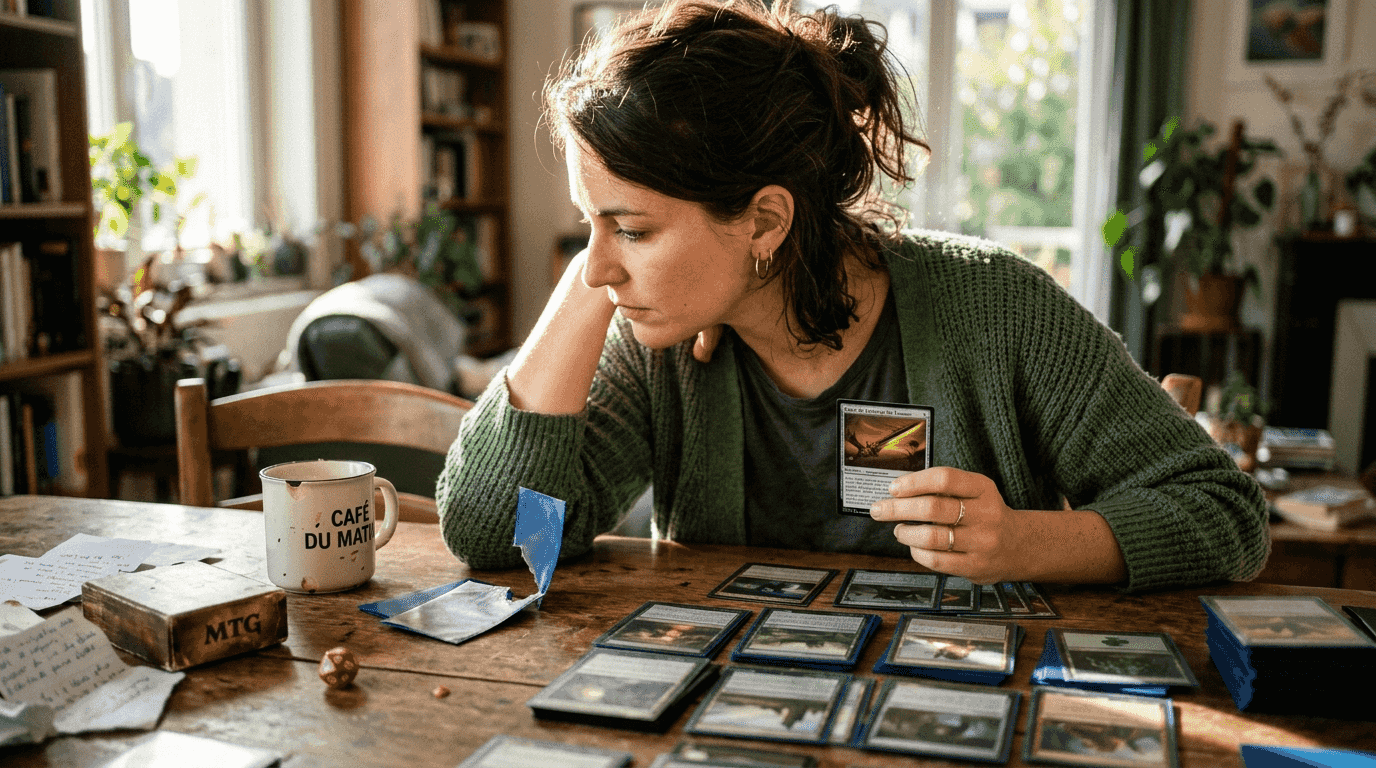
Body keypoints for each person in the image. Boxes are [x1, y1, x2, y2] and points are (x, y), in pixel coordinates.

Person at [435, 0, 1269, 592]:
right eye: (590, 223)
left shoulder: (997, 308)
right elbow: (496, 536)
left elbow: (1225, 514)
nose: (597, 267)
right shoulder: (663, 340)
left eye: (636, 229)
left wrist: (1028, 542)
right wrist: (605, 256)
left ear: (764, 219)